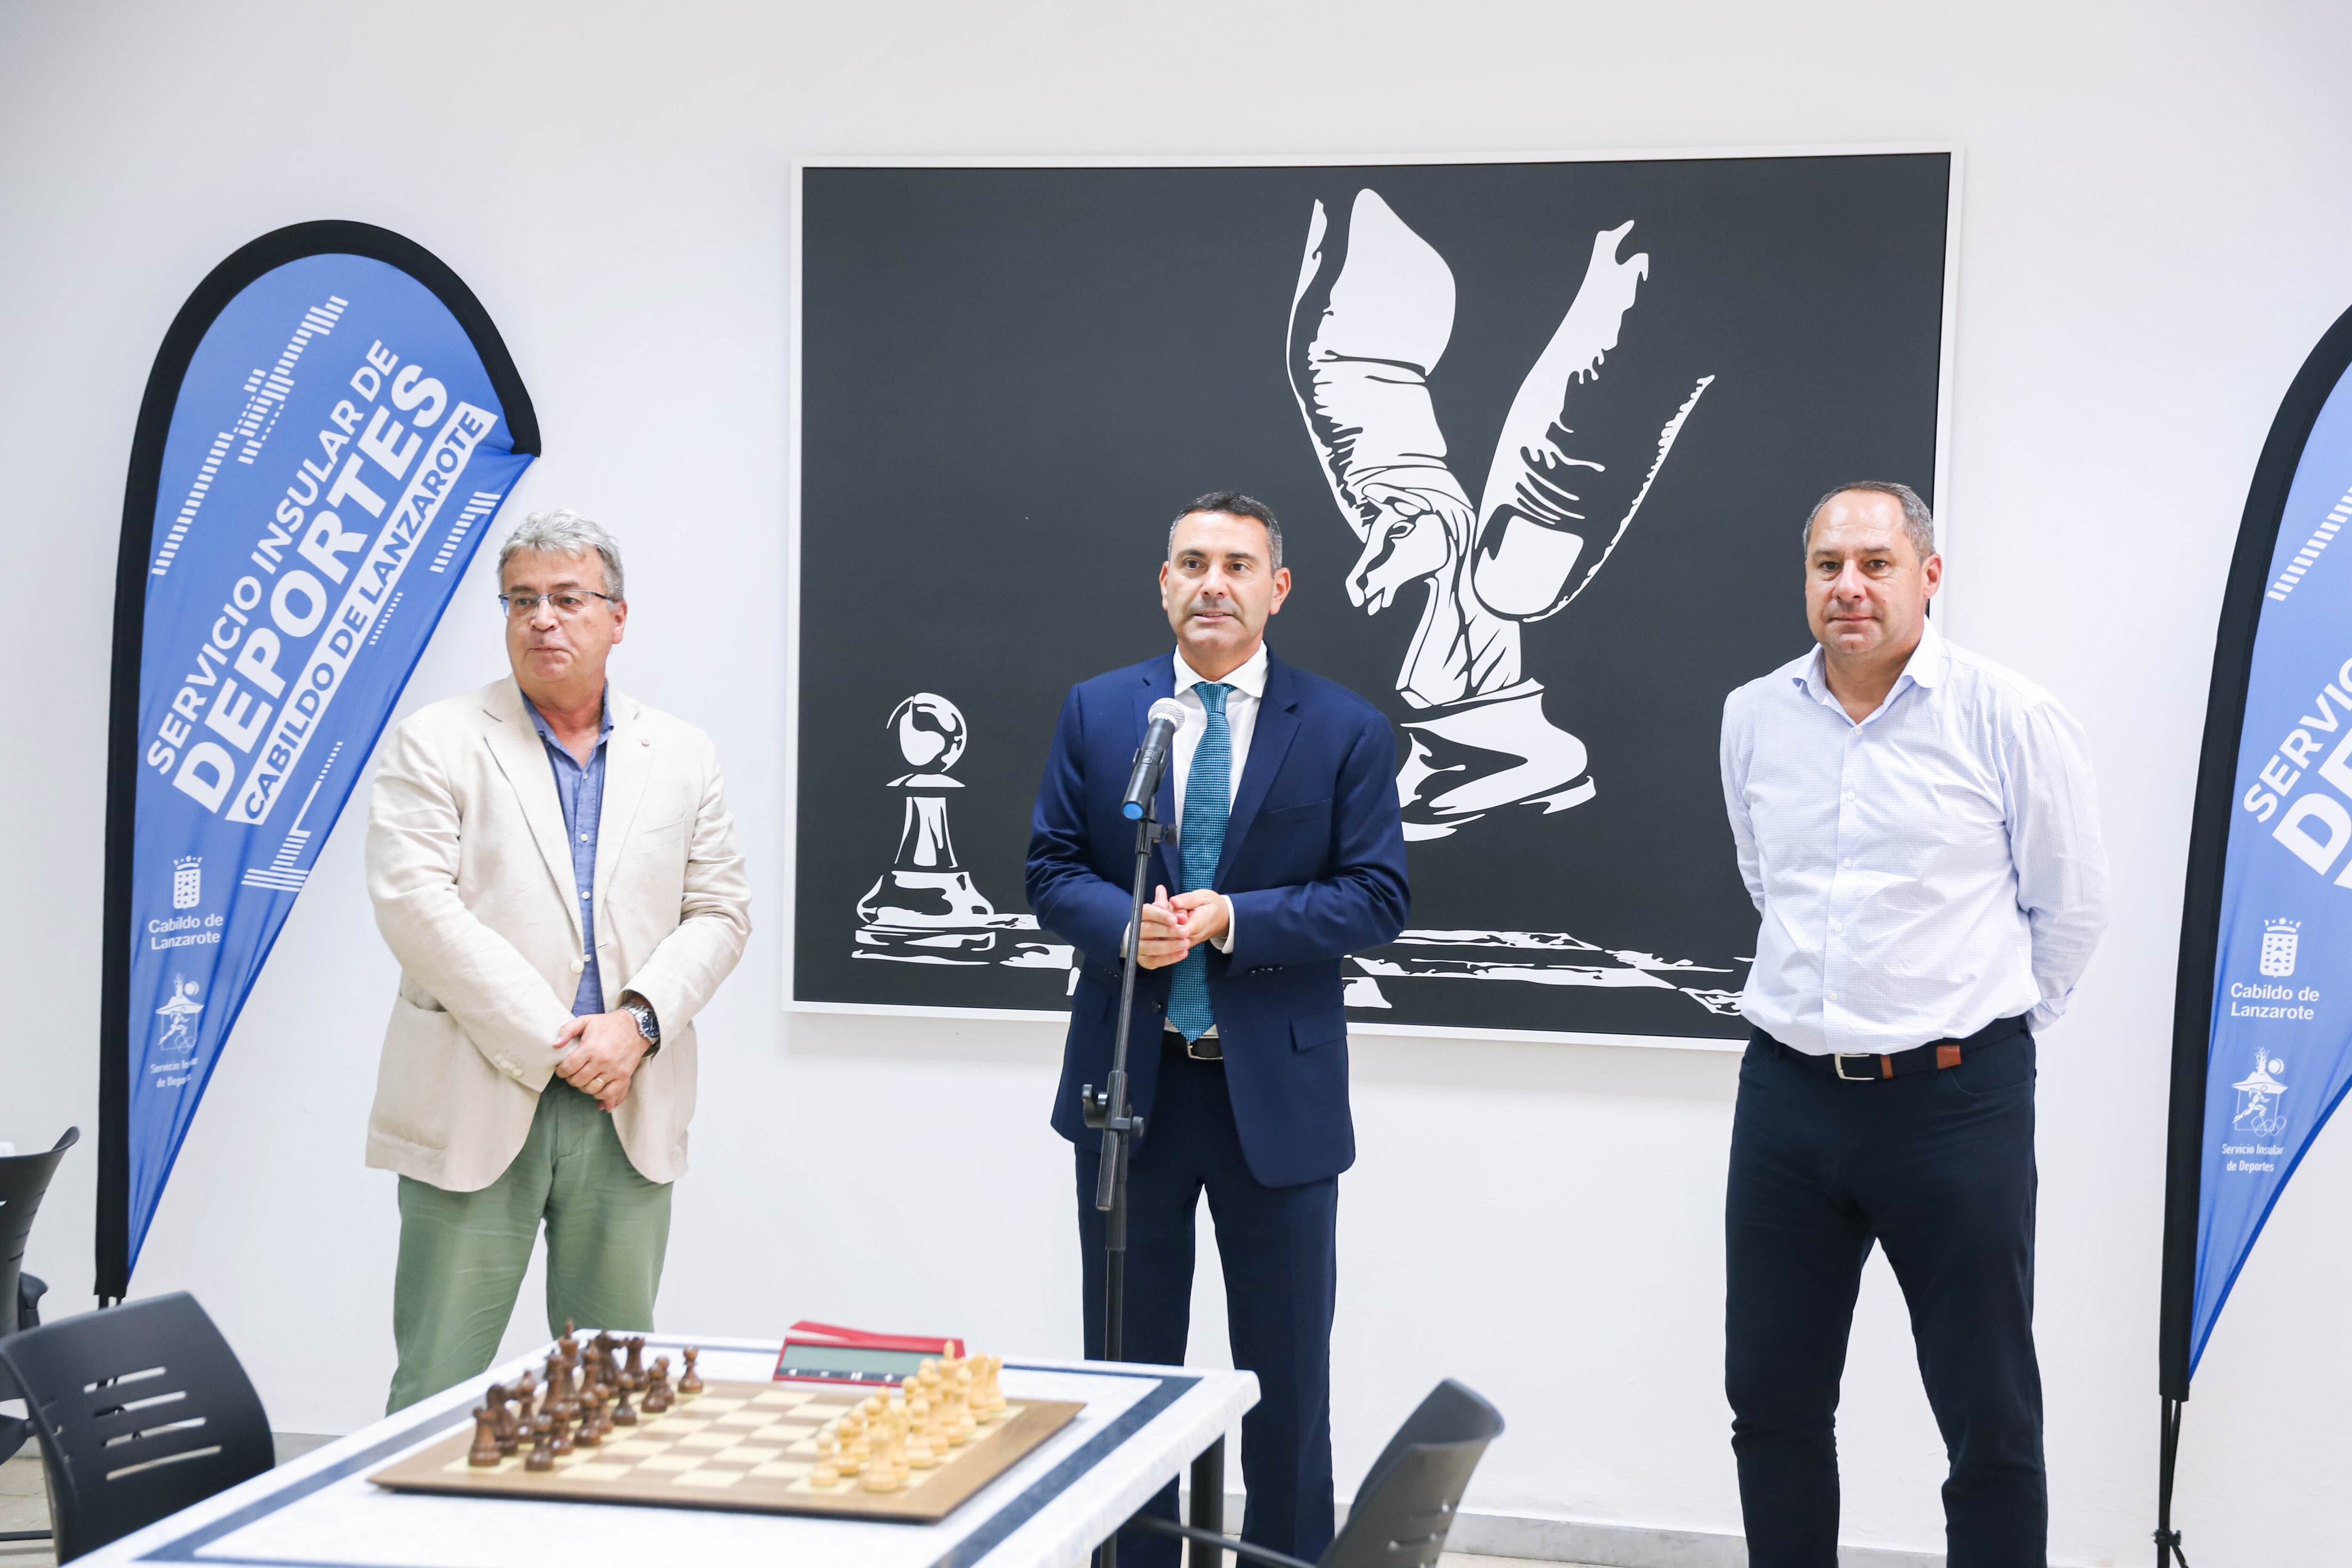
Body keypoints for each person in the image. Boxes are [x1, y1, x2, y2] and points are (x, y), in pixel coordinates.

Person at [1717, 482, 2108, 1567]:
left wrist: (1978, 1041)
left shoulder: (2005, 714)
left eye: (1875, 564)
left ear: (1926, 576)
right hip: (1788, 1100)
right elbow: (1771, 883)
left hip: (1953, 1102)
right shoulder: (1753, 715)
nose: (1848, 585)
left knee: (1987, 1414)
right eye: (1827, 565)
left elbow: (2068, 908)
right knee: (1771, 1398)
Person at [1027, 491, 1410, 1567]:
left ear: (1276, 589)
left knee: (1286, 1379)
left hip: (1273, 1102)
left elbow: (1377, 895)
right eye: (1191, 562)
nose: (1212, 583)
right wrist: (1123, 926)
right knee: (1128, 1373)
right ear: (1162, 582)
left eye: (1237, 565)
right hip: (1130, 1091)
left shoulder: (1341, 727)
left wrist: (1240, 917)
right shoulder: (1104, 714)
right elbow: (1051, 870)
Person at [366, 509, 750, 1412]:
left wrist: (638, 1026)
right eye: (523, 600)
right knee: (436, 1389)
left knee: (614, 1390)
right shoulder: (437, 741)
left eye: (569, 598)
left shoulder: (682, 754)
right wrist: (561, 1042)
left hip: (627, 1102)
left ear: (618, 617)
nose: (544, 618)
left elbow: (721, 910)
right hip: (477, 1094)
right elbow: (416, 909)